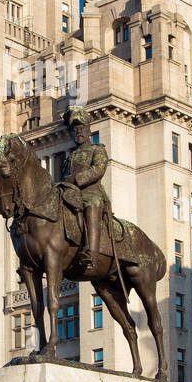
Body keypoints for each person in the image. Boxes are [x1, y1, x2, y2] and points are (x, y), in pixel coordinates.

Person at [59, 107, 112, 274]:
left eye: (81, 129)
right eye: (75, 130)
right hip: (71, 193)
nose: (78, 132)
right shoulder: (71, 155)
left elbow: (99, 169)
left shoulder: (98, 149)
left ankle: (91, 252)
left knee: (91, 206)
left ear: (89, 131)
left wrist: (77, 179)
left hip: (92, 192)